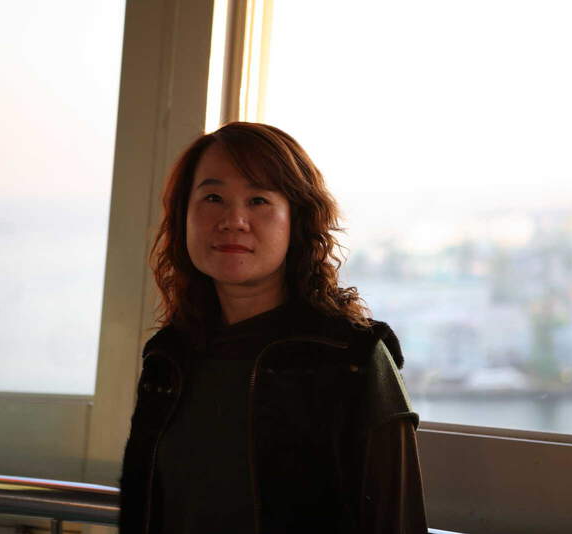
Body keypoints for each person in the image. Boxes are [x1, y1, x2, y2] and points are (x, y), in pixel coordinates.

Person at [118, 122, 427, 533]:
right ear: (183, 216)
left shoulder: (353, 357)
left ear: (296, 221)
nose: (233, 220)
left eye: (258, 200)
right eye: (213, 198)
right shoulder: (169, 354)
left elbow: (396, 522)